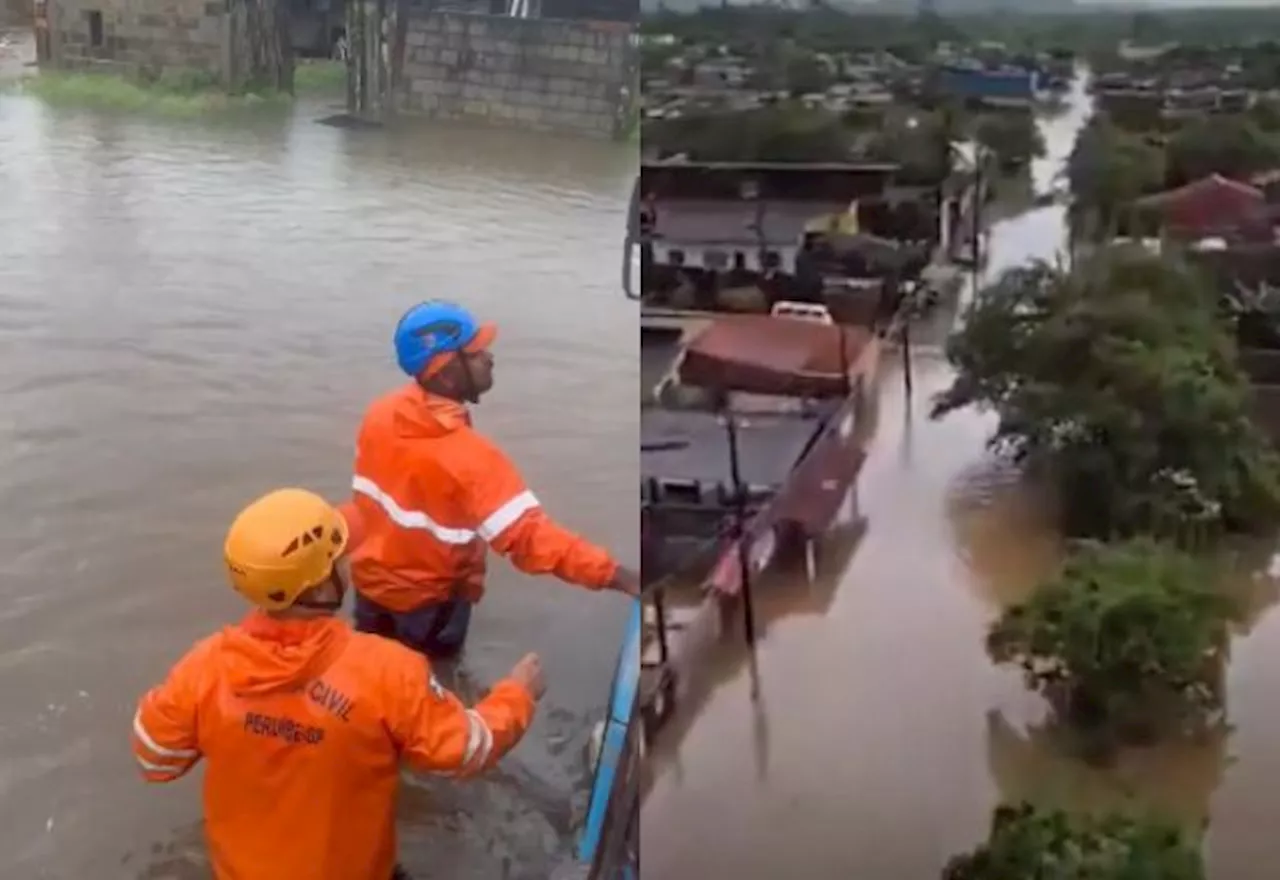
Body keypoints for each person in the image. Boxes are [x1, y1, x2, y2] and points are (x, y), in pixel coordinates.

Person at [130, 488, 543, 880]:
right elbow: (467, 749)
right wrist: (518, 694)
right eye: (340, 559)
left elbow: (155, 757)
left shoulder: (205, 667)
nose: (349, 564)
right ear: (318, 583)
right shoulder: (387, 671)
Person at [345, 300, 638, 659]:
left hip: (369, 592)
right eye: (477, 352)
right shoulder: (471, 459)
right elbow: (531, 538)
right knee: (431, 695)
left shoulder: (380, 414)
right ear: (447, 372)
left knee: (373, 679)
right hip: (428, 610)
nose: (489, 358)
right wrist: (616, 575)